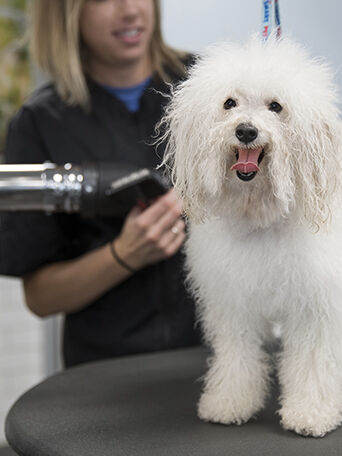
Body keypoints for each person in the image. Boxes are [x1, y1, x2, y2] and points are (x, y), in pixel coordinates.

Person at [0, 0, 201, 367]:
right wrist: (123, 255)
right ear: (65, 12)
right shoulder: (40, 124)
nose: (130, 10)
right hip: (104, 376)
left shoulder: (210, 89)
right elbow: (41, 298)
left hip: (214, 359)